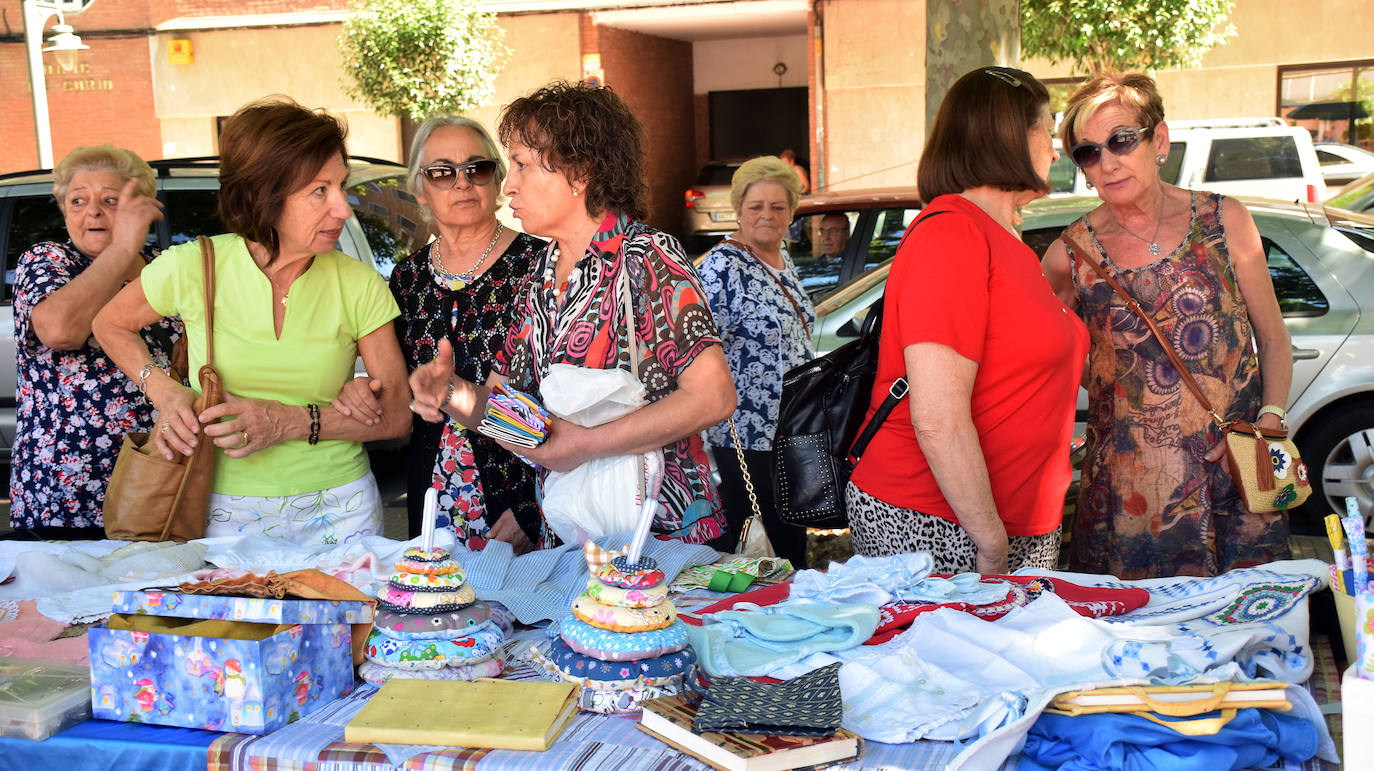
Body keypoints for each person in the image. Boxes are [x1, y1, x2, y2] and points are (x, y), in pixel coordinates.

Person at [409, 81, 737, 545]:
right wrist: (454, 393)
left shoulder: (645, 257)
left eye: (522, 164)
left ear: (579, 173)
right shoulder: (543, 271)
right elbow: (512, 409)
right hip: (575, 538)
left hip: (663, 537)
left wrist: (584, 445)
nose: (508, 185)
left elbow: (713, 397)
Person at [93, 97, 411, 545]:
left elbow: (397, 416)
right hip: (217, 508)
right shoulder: (193, 266)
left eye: (342, 186)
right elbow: (110, 323)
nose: (342, 208)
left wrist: (289, 421)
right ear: (265, 194)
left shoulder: (359, 284)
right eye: (320, 190)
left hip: (342, 510)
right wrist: (164, 391)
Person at [1042, 72, 1293, 578]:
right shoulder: (1069, 255)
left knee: (1249, 628)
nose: (1107, 162)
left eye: (1121, 140)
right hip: (1130, 494)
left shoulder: (1227, 221)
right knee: (1139, 637)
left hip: (1236, 470)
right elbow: (1053, 362)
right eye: (1088, 153)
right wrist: (1126, 396)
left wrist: (1268, 422)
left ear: (1159, 139)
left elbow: (1272, 337)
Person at [847, 67, 1088, 573]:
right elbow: (937, 416)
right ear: (1007, 136)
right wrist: (991, 542)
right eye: (1047, 126)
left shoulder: (1008, 241)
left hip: (1014, 521)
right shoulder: (952, 234)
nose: (1056, 146)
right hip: (941, 521)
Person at [388, 115, 544, 552]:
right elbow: (405, 391)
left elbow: (568, 403)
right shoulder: (408, 278)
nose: (462, 183)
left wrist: (535, 508)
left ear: (497, 181)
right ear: (420, 189)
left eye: (477, 169)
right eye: (442, 172)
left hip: (524, 497)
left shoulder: (541, 265)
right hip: (432, 498)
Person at [8, 146, 179, 538]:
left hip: (157, 483)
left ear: (143, 207)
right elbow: (60, 330)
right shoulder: (48, 262)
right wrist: (121, 248)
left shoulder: (166, 268)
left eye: (110, 200)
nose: (94, 211)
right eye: (78, 200)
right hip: (65, 492)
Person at [696, 156, 814, 564]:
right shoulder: (721, 267)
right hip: (743, 437)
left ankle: (793, 621)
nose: (767, 215)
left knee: (791, 544)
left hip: (791, 430)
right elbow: (695, 352)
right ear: (739, 211)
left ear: (792, 212)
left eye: (778, 206)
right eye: (756, 206)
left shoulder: (784, 261)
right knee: (757, 550)